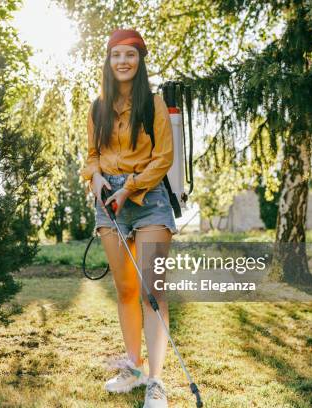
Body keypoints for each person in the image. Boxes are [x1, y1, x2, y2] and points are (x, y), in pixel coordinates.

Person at [79, 28, 178, 408]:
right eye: (117, 54)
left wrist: (129, 188)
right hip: (109, 202)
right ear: (109, 61)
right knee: (126, 291)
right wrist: (97, 177)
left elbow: (164, 159)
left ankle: (156, 381)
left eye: (131, 55)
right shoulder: (97, 106)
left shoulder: (153, 103)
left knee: (152, 292)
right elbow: (91, 155)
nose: (123, 61)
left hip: (149, 197)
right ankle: (132, 369)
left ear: (140, 61)